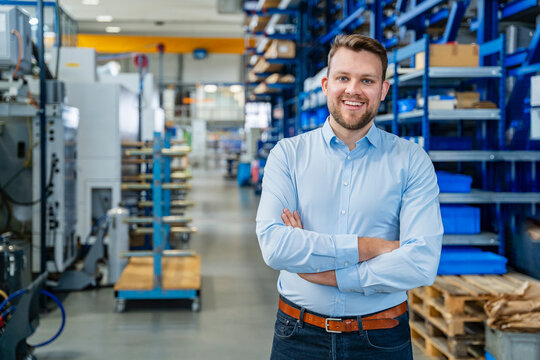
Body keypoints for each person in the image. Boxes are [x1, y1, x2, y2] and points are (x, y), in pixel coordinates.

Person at [255, 34, 443, 359]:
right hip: (298, 335)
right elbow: (275, 246)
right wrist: (370, 248)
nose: (353, 89)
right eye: (343, 78)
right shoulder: (288, 155)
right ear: (327, 85)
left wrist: (331, 274)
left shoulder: (412, 160)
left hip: (381, 338)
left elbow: (421, 263)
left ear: (383, 90)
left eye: (367, 80)